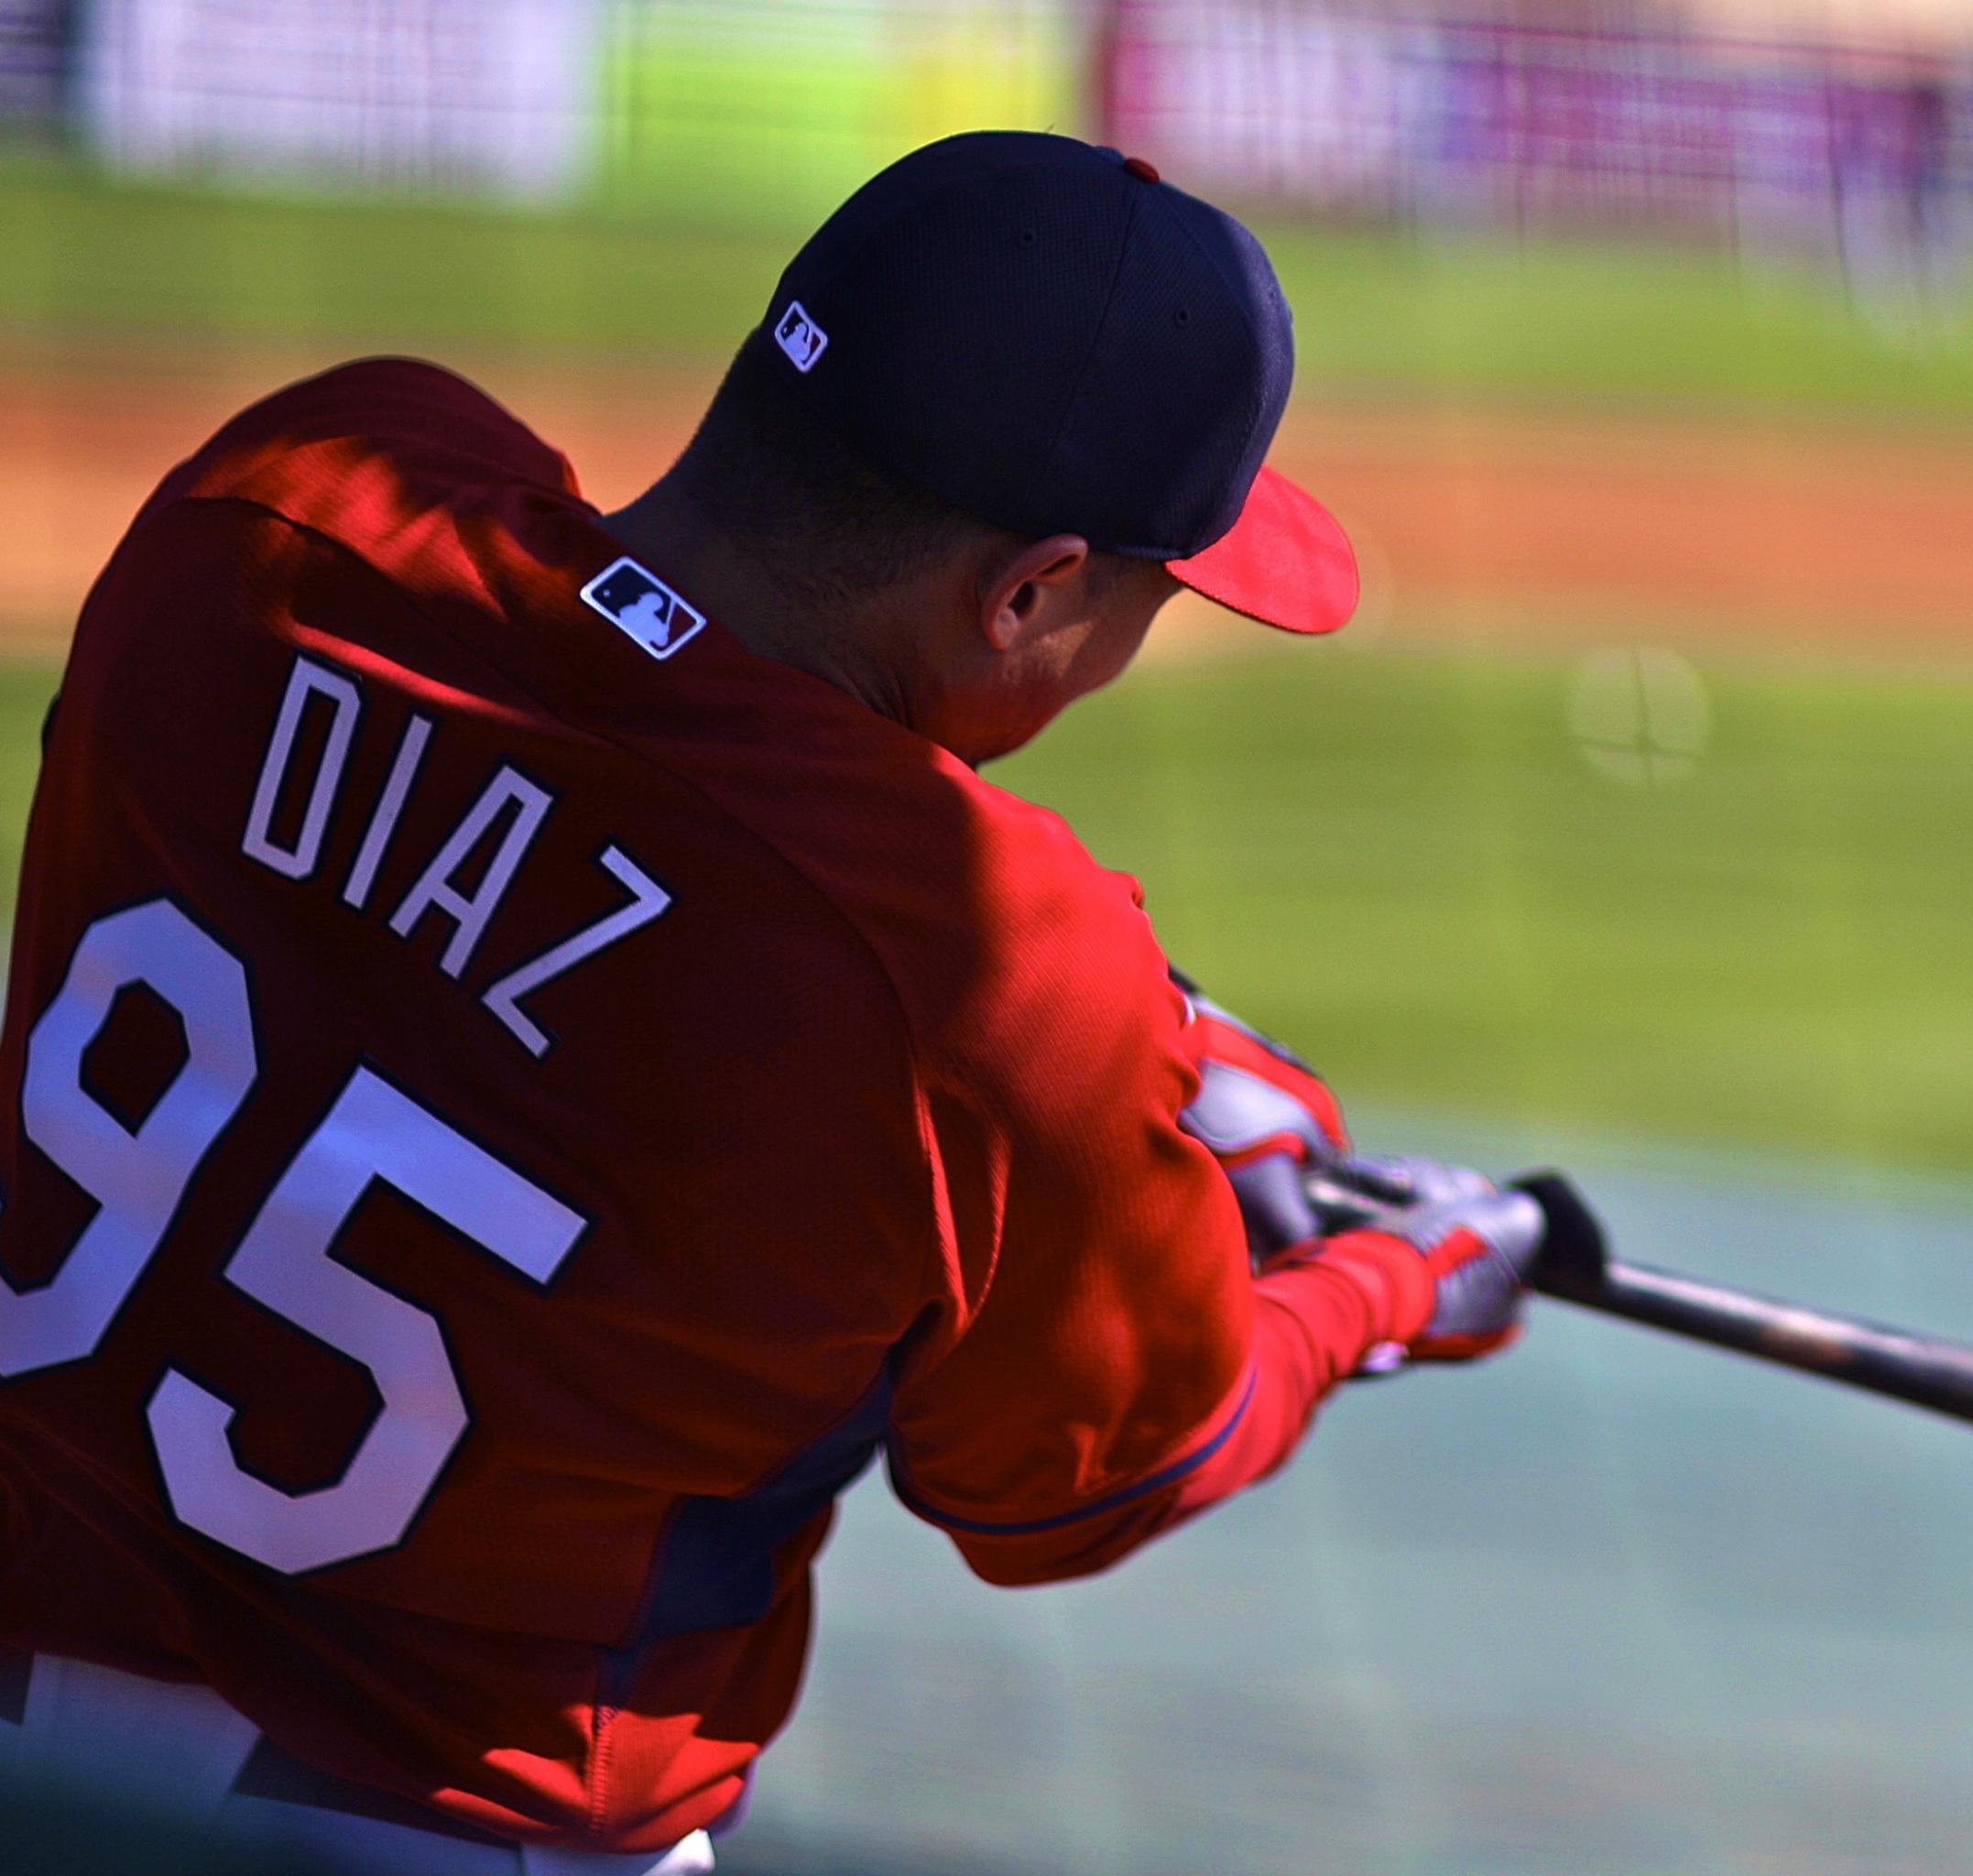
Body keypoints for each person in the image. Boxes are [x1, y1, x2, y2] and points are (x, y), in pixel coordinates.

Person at [0, 131, 1547, 1872]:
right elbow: (1077, 1486)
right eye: (1142, 598)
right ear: (1030, 590)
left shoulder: (293, 495)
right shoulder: (992, 975)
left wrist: (1138, 1062)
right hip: (427, 1825)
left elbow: (551, 829)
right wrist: (1394, 1281)